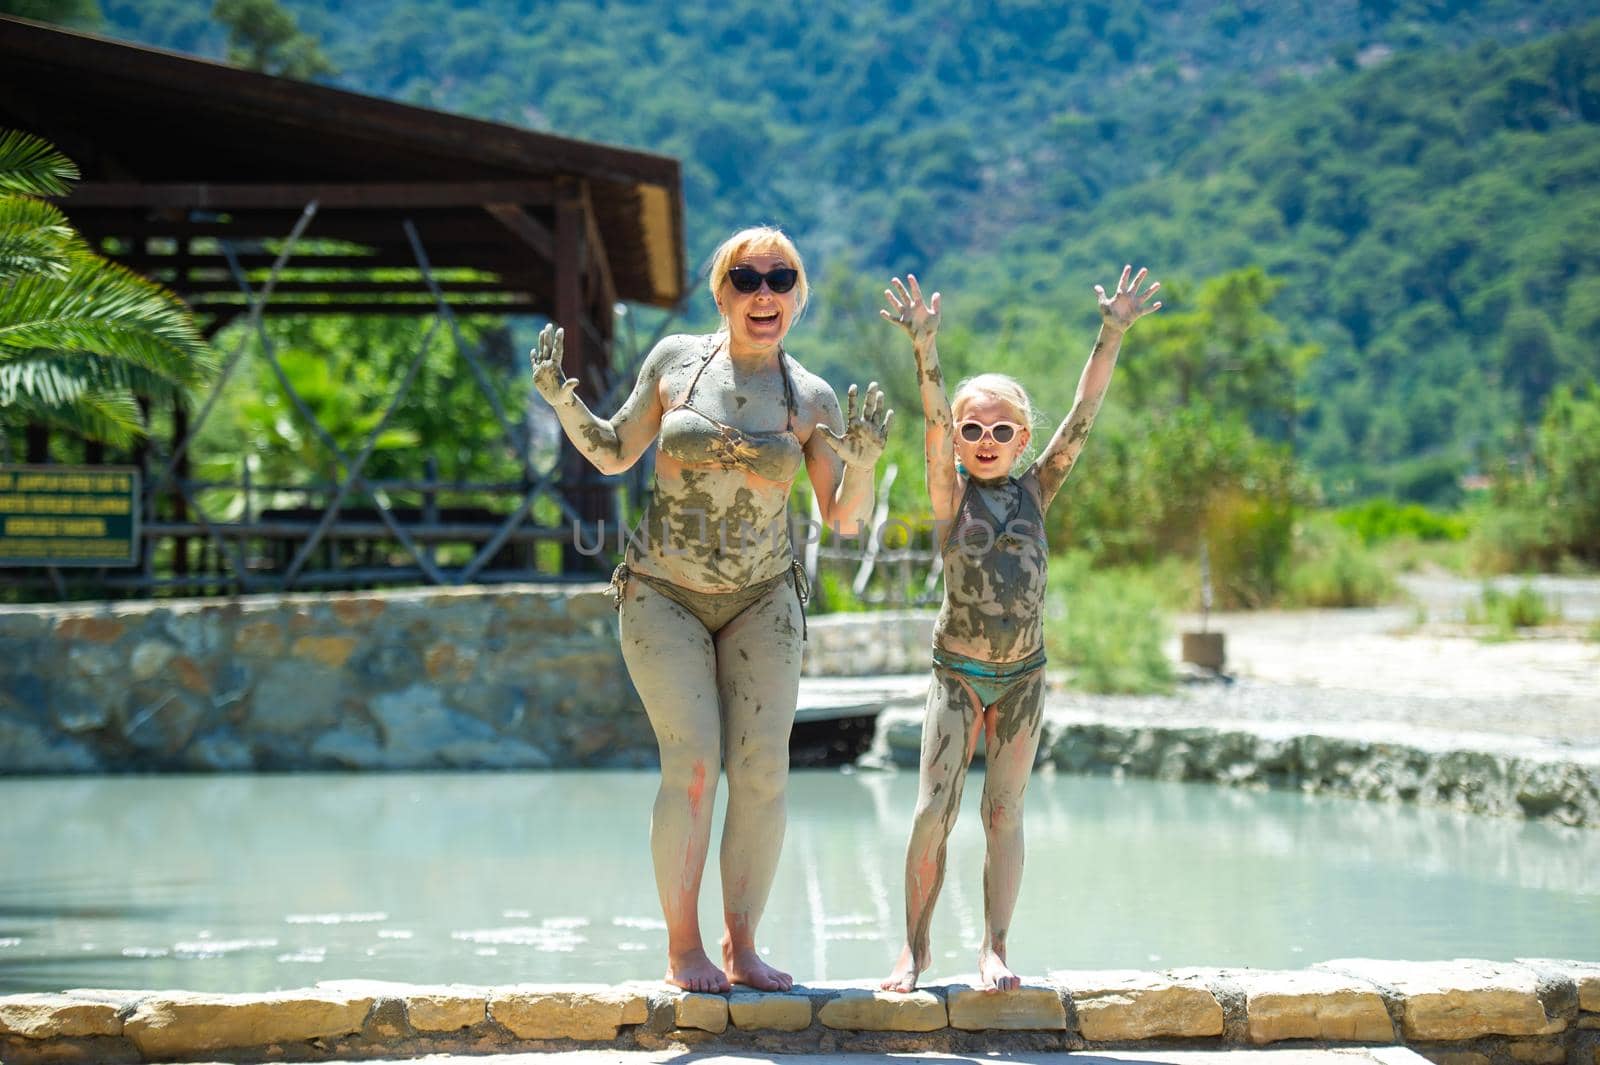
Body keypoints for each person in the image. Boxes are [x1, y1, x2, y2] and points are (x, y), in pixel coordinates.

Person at [529, 226, 891, 993]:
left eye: (781, 278)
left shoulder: (812, 397)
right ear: (722, 292)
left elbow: (844, 517)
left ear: (798, 294)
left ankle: (743, 945)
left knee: (761, 771)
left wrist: (859, 464)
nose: (765, 293)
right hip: (664, 593)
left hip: (764, 597)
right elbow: (612, 450)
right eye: (748, 278)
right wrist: (564, 400)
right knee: (693, 764)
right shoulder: (675, 364)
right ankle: (683, 949)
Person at [878, 266, 1160, 993]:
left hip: (1024, 678)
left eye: (1001, 429)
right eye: (975, 428)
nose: (984, 439)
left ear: (1023, 436)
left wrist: (1113, 331)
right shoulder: (951, 493)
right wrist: (925, 347)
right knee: (931, 812)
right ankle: (913, 949)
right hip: (958, 675)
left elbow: (1085, 410)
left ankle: (994, 947)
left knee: (1004, 812)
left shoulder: (1039, 486)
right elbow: (934, 421)